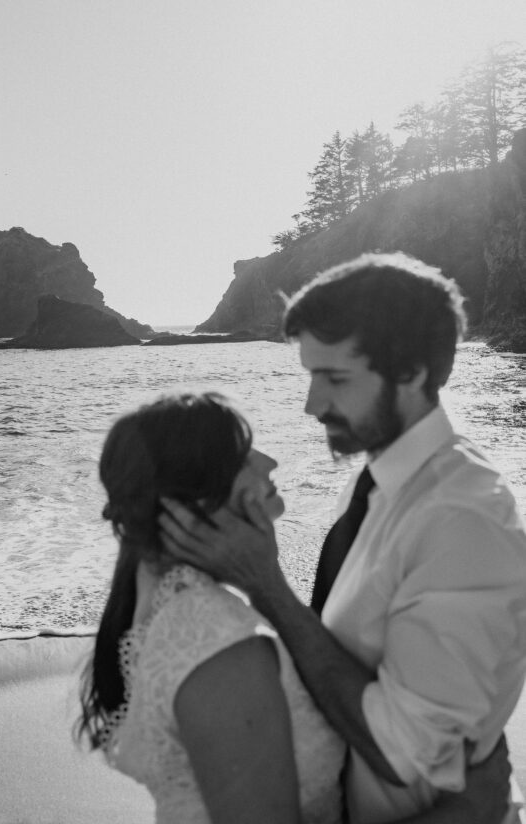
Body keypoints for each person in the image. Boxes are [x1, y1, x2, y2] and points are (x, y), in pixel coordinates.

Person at [159, 253, 526, 824]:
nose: (313, 406)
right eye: (311, 375)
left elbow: (403, 753)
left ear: (412, 373)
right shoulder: (378, 478)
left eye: (335, 378)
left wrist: (266, 586)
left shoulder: (462, 519)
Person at [78, 389, 512, 824]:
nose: (269, 462)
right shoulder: (217, 646)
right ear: (190, 504)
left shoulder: (180, 611)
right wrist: (466, 813)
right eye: (241, 455)